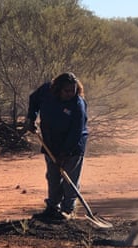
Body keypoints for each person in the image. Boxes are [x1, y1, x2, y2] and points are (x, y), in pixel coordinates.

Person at [25, 72, 88, 220]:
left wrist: (65, 153)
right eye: (67, 90)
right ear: (58, 89)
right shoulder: (46, 91)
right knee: (53, 177)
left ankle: (67, 210)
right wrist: (31, 118)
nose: (70, 94)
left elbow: (76, 132)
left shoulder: (77, 105)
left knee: (69, 179)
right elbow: (33, 99)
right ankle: (53, 208)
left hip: (73, 147)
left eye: (73, 90)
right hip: (51, 143)